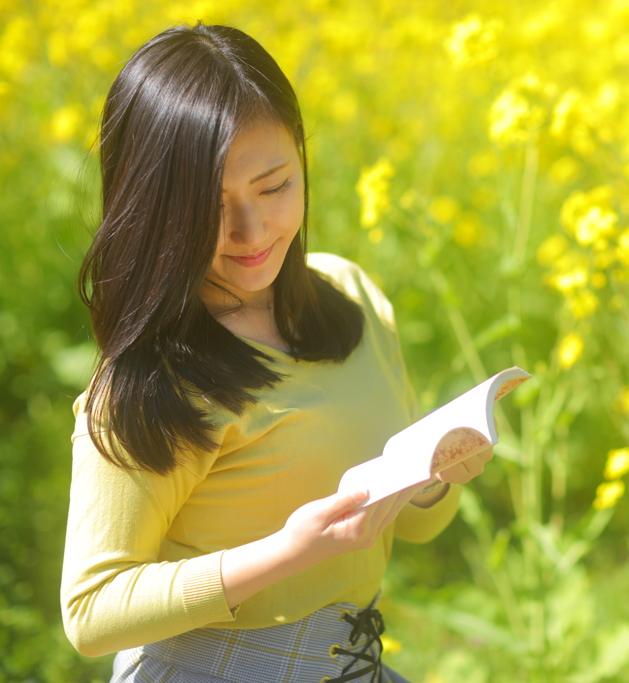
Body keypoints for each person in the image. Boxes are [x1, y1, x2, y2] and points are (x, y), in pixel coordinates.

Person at [60, 23, 491, 683]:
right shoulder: (147, 382)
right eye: (210, 207)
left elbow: (410, 531)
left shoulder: (351, 295)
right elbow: (91, 611)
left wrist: (433, 481)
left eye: (273, 186)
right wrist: (285, 552)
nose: (251, 232)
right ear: (150, 209)